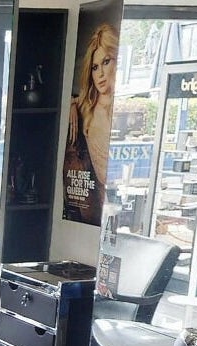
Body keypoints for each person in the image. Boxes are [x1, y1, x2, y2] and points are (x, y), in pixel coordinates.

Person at [66, 22, 119, 225]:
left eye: (106, 62)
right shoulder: (86, 107)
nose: (100, 74)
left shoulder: (117, 111)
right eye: (95, 67)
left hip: (112, 196)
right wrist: (72, 103)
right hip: (95, 196)